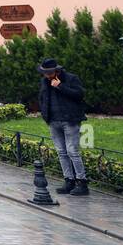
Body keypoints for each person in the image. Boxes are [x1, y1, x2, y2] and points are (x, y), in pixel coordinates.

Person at [37, 58, 88, 196]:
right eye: (44, 73)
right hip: (53, 121)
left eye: (48, 73)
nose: (46, 76)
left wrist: (60, 86)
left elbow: (79, 95)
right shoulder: (45, 82)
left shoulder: (71, 78)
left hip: (70, 120)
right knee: (61, 151)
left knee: (72, 151)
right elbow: (42, 98)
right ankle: (69, 180)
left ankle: (82, 181)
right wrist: (45, 114)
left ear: (56, 70)